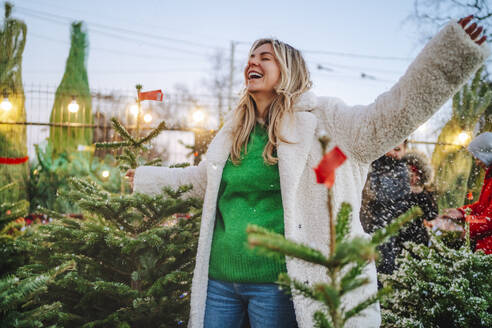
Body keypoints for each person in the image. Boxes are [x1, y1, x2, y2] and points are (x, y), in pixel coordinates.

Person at [127, 16, 489, 328]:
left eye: (264, 56)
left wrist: (450, 57)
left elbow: (391, 114)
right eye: (251, 56)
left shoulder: (325, 120)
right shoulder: (233, 130)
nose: (252, 61)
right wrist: (147, 180)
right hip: (220, 282)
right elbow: (204, 181)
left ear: (287, 68)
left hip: (280, 284)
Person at [359, 141, 412, 276]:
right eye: (389, 148)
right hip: (364, 227)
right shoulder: (374, 166)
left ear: (404, 151)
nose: (392, 152)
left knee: (380, 271)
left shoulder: (400, 171)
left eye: (397, 149)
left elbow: (380, 195)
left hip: (385, 231)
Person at [437, 132, 492, 255]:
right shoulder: (489, 176)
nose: (477, 162)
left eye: (479, 157)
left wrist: (464, 228)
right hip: (485, 247)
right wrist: (461, 212)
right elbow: (483, 207)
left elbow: (489, 220)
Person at [398, 149, 438, 247]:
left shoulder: (425, 193)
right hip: (396, 237)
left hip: (417, 239)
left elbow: (432, 214)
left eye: (416, 174)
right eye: (409, 174)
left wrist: (420, 193)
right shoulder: (398, 191)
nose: (412, 178)